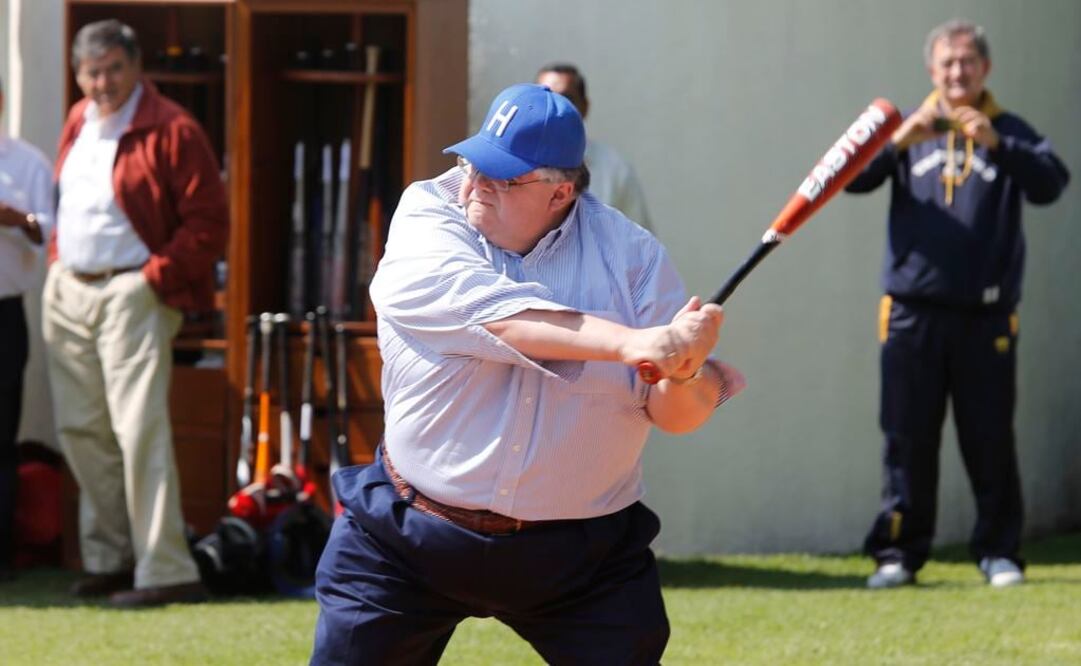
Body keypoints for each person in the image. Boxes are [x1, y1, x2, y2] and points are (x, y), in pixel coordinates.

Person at [311, 83, 745, 664]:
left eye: (502, 178)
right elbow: (500, 318)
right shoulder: (427, 214)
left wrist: (686, 372)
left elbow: (672, 414)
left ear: (561, 191)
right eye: (474, 164)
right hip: (410, 533)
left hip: (581, 554)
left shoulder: (632, 255)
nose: (475, 185)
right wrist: (635, 341)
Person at [846, 19, 1070, 589]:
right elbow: (852, 179)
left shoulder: (1006, 128)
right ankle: (897, 553)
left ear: (985, 68)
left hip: (987, 313)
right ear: (931, 70)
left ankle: (1000, 553)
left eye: (967, 62)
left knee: (989, 435)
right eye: (947, 63)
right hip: (910, 312)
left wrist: (1000, 144)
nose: (957, 72)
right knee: (906, 436)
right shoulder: (908, 130)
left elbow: (1051, 182)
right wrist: (899, 140)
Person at [43, 19, 228, 607]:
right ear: (77, 74)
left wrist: (151, 279)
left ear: (136, 65)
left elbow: (209, 225)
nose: (103, 83)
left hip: (132, 291)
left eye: (113, 69)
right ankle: (111, 557)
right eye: (92, 72)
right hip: (68, 288)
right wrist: (55, 260)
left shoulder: (173, 127)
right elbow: (64, 202)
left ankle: (166, 568)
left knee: (137, 431)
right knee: (81, 431)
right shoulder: (78, 120)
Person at [0, 75, 54, 581]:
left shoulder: (27, 164)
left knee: (2, 435)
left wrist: (16, 219)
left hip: (4, 311)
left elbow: (52, 237)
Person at [536, 62, 654, 231]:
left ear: (584, 107)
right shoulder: (510, 165)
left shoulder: (615, 170)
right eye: (546, 99)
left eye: (566, 99)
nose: (556, 108)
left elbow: (641, 249)